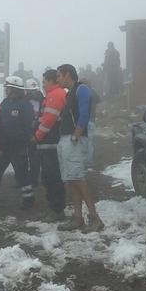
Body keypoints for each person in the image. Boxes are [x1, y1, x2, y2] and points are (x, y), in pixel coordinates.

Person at [56, 64, 104, 232]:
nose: (57, 79)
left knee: (78, 179)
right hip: (67, 140)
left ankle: (95, 218)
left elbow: (84, 114)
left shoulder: (82, 89)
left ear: (67, 74)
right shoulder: (70, 93)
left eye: (59, 76)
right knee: (72, 179)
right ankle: (78, 218)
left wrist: (76, 134)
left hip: (74, 140)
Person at [0, 76, 35, 209]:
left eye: (8, 88)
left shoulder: (25, 105)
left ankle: (28, 199)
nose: (6, 90)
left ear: (14, 89)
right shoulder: (5, 103)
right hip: (4, 145)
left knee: (22, 173)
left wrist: (24, 141)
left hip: (18, 145)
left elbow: (28, 126)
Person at [32, 69, 67, 222]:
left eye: (45, 81)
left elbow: (48, 120)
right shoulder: (52, 95)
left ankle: (57, 210)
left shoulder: (55, 95)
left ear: (52, 81)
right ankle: (54, 208)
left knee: (52, 177)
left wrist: (36, 136)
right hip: (48, 143)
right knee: (48, 177)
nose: (43, 84)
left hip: (51, 144)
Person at [79, 78, 102, 167]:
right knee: (90, 142)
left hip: (82, 121)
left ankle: (84, 161)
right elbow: (99, 104)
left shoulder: (81, 93)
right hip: (92, 120)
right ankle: (89, 161)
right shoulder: (93, 92)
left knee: (82, 142)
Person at [25, 79, 44, 187]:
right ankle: (31, 178)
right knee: (30, 156)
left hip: (35, 130)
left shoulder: (41, 100)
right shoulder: (40, 99)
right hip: (30, 130)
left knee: (33, 156)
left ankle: (33, 179)